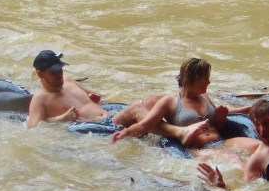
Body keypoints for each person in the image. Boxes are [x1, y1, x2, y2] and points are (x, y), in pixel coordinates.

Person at [109, 58, 256, 153]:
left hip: (219, 141)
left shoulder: (204, 97)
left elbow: (226, 112)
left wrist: (247, 110)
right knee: (235, 161)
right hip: (199, 149)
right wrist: (125, 133)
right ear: (193, 78)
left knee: (256, 146)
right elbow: (145, 125)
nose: (209, 82)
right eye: (206, 79)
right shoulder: (170, 102)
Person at [26, 50, 117, 129]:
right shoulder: (40, 99)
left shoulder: (67, 80)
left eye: (60, 69)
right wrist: (62, 118)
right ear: (41, 74)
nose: (59, 74)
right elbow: (34, 127)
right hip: (96, 129)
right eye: (53, 72)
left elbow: (96, 96)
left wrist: (96, 99)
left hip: (109, 117)